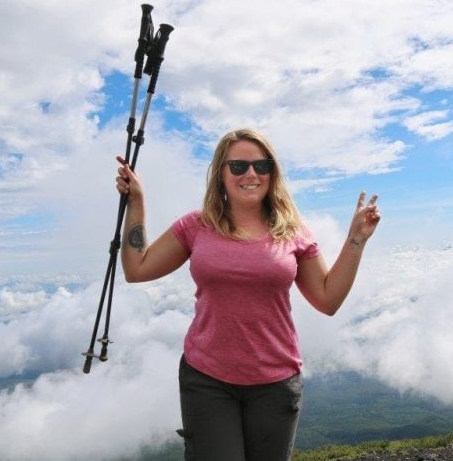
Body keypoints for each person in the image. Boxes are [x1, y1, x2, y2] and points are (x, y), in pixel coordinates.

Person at [115, 128, 381, 461]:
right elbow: (137, 269)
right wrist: (136, 202)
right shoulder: (196, 226)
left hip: (276, 382)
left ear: (273, 173)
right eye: (238, 166)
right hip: (207, 380)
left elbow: (327, 300)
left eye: (261, 166)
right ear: (221, 174)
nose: (251, 174)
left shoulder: (293, 231)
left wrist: (356, 239)